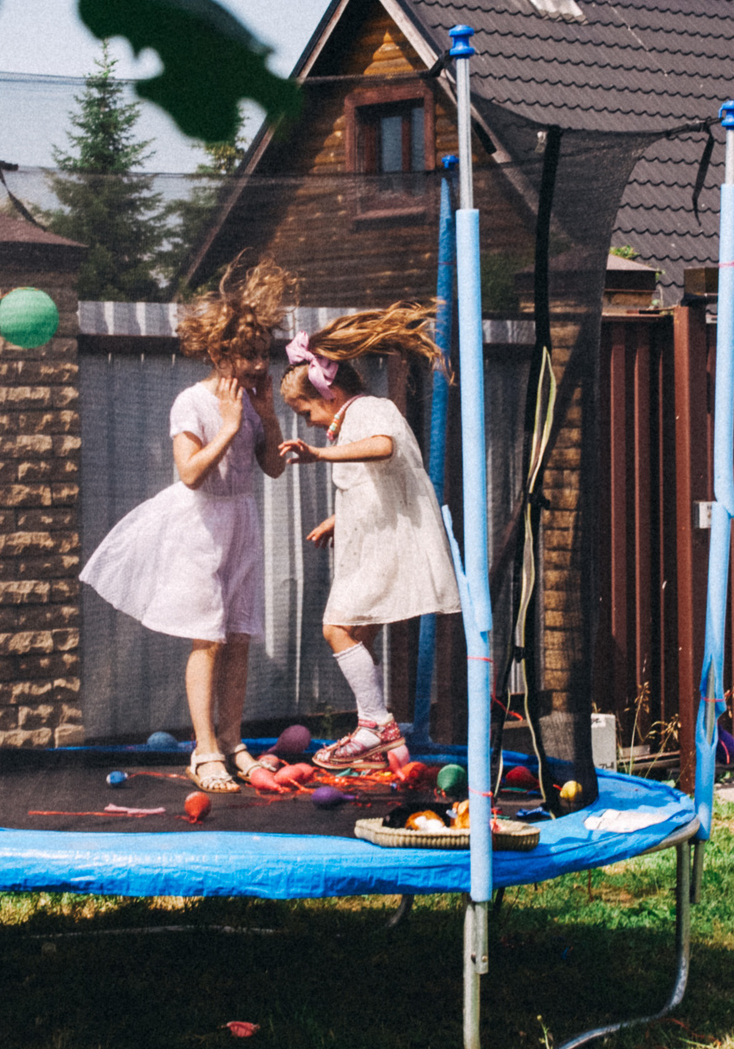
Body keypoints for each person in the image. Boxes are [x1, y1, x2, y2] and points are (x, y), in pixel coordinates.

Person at [78, 257, 293, 793]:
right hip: (199, 526)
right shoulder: (193, 402)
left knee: (239, 637)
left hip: (242, 519)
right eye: (246, 355)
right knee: (209, 639)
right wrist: (229, 425)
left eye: (261, 354)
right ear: (221, 353)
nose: (255, 365)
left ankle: (235, 740)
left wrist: (265, 415)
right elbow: (192, 474)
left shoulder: (251, 400)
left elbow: (272, 467)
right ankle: (205, 749)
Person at [276, 302, 460, 770]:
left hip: (387, 549)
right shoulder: (354, 418)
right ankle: (386, 746)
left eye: (305, 410)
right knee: (359, 632)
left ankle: (377, 724)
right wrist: (340, 519)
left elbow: (384, 448)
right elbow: (381, 481)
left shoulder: (367, 411)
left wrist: (318, 454)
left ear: (329, 391)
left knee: (336, 628)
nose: (308, 422)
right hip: (379, 543)